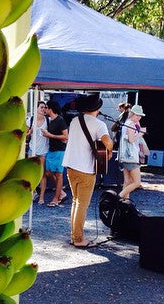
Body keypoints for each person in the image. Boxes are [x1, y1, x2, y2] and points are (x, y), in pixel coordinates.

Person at [62, 94, 113, 247]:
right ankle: (78, 239)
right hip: (85, 168)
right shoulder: (99, 124)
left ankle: (74, 236)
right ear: (97, 109)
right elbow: (107, 143)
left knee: (75, 202)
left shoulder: (75, 121)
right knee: (81, 205)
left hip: (71, 166)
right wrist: (108, 149)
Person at [41, 100, 68, 207]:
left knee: (59, 174)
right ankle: (61, 193)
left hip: (59, 150)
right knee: (48, 172)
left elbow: (66, 136)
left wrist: (50, 135)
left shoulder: (60, 120)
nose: (45, 109)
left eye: (46, 107)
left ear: (50, 109)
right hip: (51, 150)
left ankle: (56, 199)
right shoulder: (50, 121)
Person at [117, 104, 146, 200]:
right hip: (131, 156)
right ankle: (119, 197)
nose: (139, 117)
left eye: (140, 116)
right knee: (137, 182)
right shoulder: (131, 124)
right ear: (133, 114)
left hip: (125, 156)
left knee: (127, 181)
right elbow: (131, 140)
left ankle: (125, 201)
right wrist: (141, 134)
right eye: (137, 115)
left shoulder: (128, 122)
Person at [26, 101, 49, 204]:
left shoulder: (47, 120)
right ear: (36, 108)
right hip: (32, 148)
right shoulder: (30, 120)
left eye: (45, 108)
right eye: (41, 107)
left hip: (43, 149)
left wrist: (48, 134)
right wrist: (29, 132)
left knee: (42, 174)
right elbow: (25, 135)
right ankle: (33, 192)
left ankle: (41, 197)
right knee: (31, 173)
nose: (43, 109)